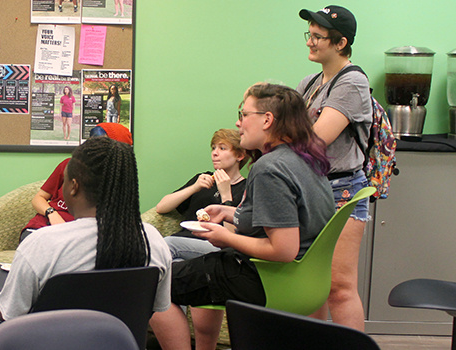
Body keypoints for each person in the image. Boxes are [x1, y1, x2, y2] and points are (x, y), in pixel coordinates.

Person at [150, 83, 335, 350]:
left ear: (267, 120)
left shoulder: (269, 168)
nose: (239, 124)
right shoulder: (307, 161)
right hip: (304, 282)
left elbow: (283, 248)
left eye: (244, 114)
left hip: (263, 277)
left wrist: (226, 236)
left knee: (152, 282)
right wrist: (231, 213)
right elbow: (289, 221)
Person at [0, 136, 173, 350]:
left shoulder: (42, 244)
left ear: (73, 187)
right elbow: (155, 309)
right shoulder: (153, 240)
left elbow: (9, 317)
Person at [297, 5, 372, 331]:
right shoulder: (309, 82)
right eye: (309, 35)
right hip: (311, 189)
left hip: (342, 191)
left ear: (340, 43)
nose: (310, 42)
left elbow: (315, 140)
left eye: (318, 37)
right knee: (311, 286)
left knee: (339, 287)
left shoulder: (352, 82)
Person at [19, 122, 132, 242]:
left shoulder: (116, 183)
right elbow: (38, 198)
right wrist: (52, 214)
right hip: (41, 228)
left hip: (74, 238)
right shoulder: (69, 166)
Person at [157, 128, 248, 261]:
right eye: (213, 148)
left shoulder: (246, 188)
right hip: (186, 242)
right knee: (176, 264)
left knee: (167, 244)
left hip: (217, 246)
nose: (215, 153)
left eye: (222, 148)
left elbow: (231, 236)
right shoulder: (203, 179)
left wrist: (226, 194)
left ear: (239, 156)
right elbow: (161, 207)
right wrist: (194, 187)